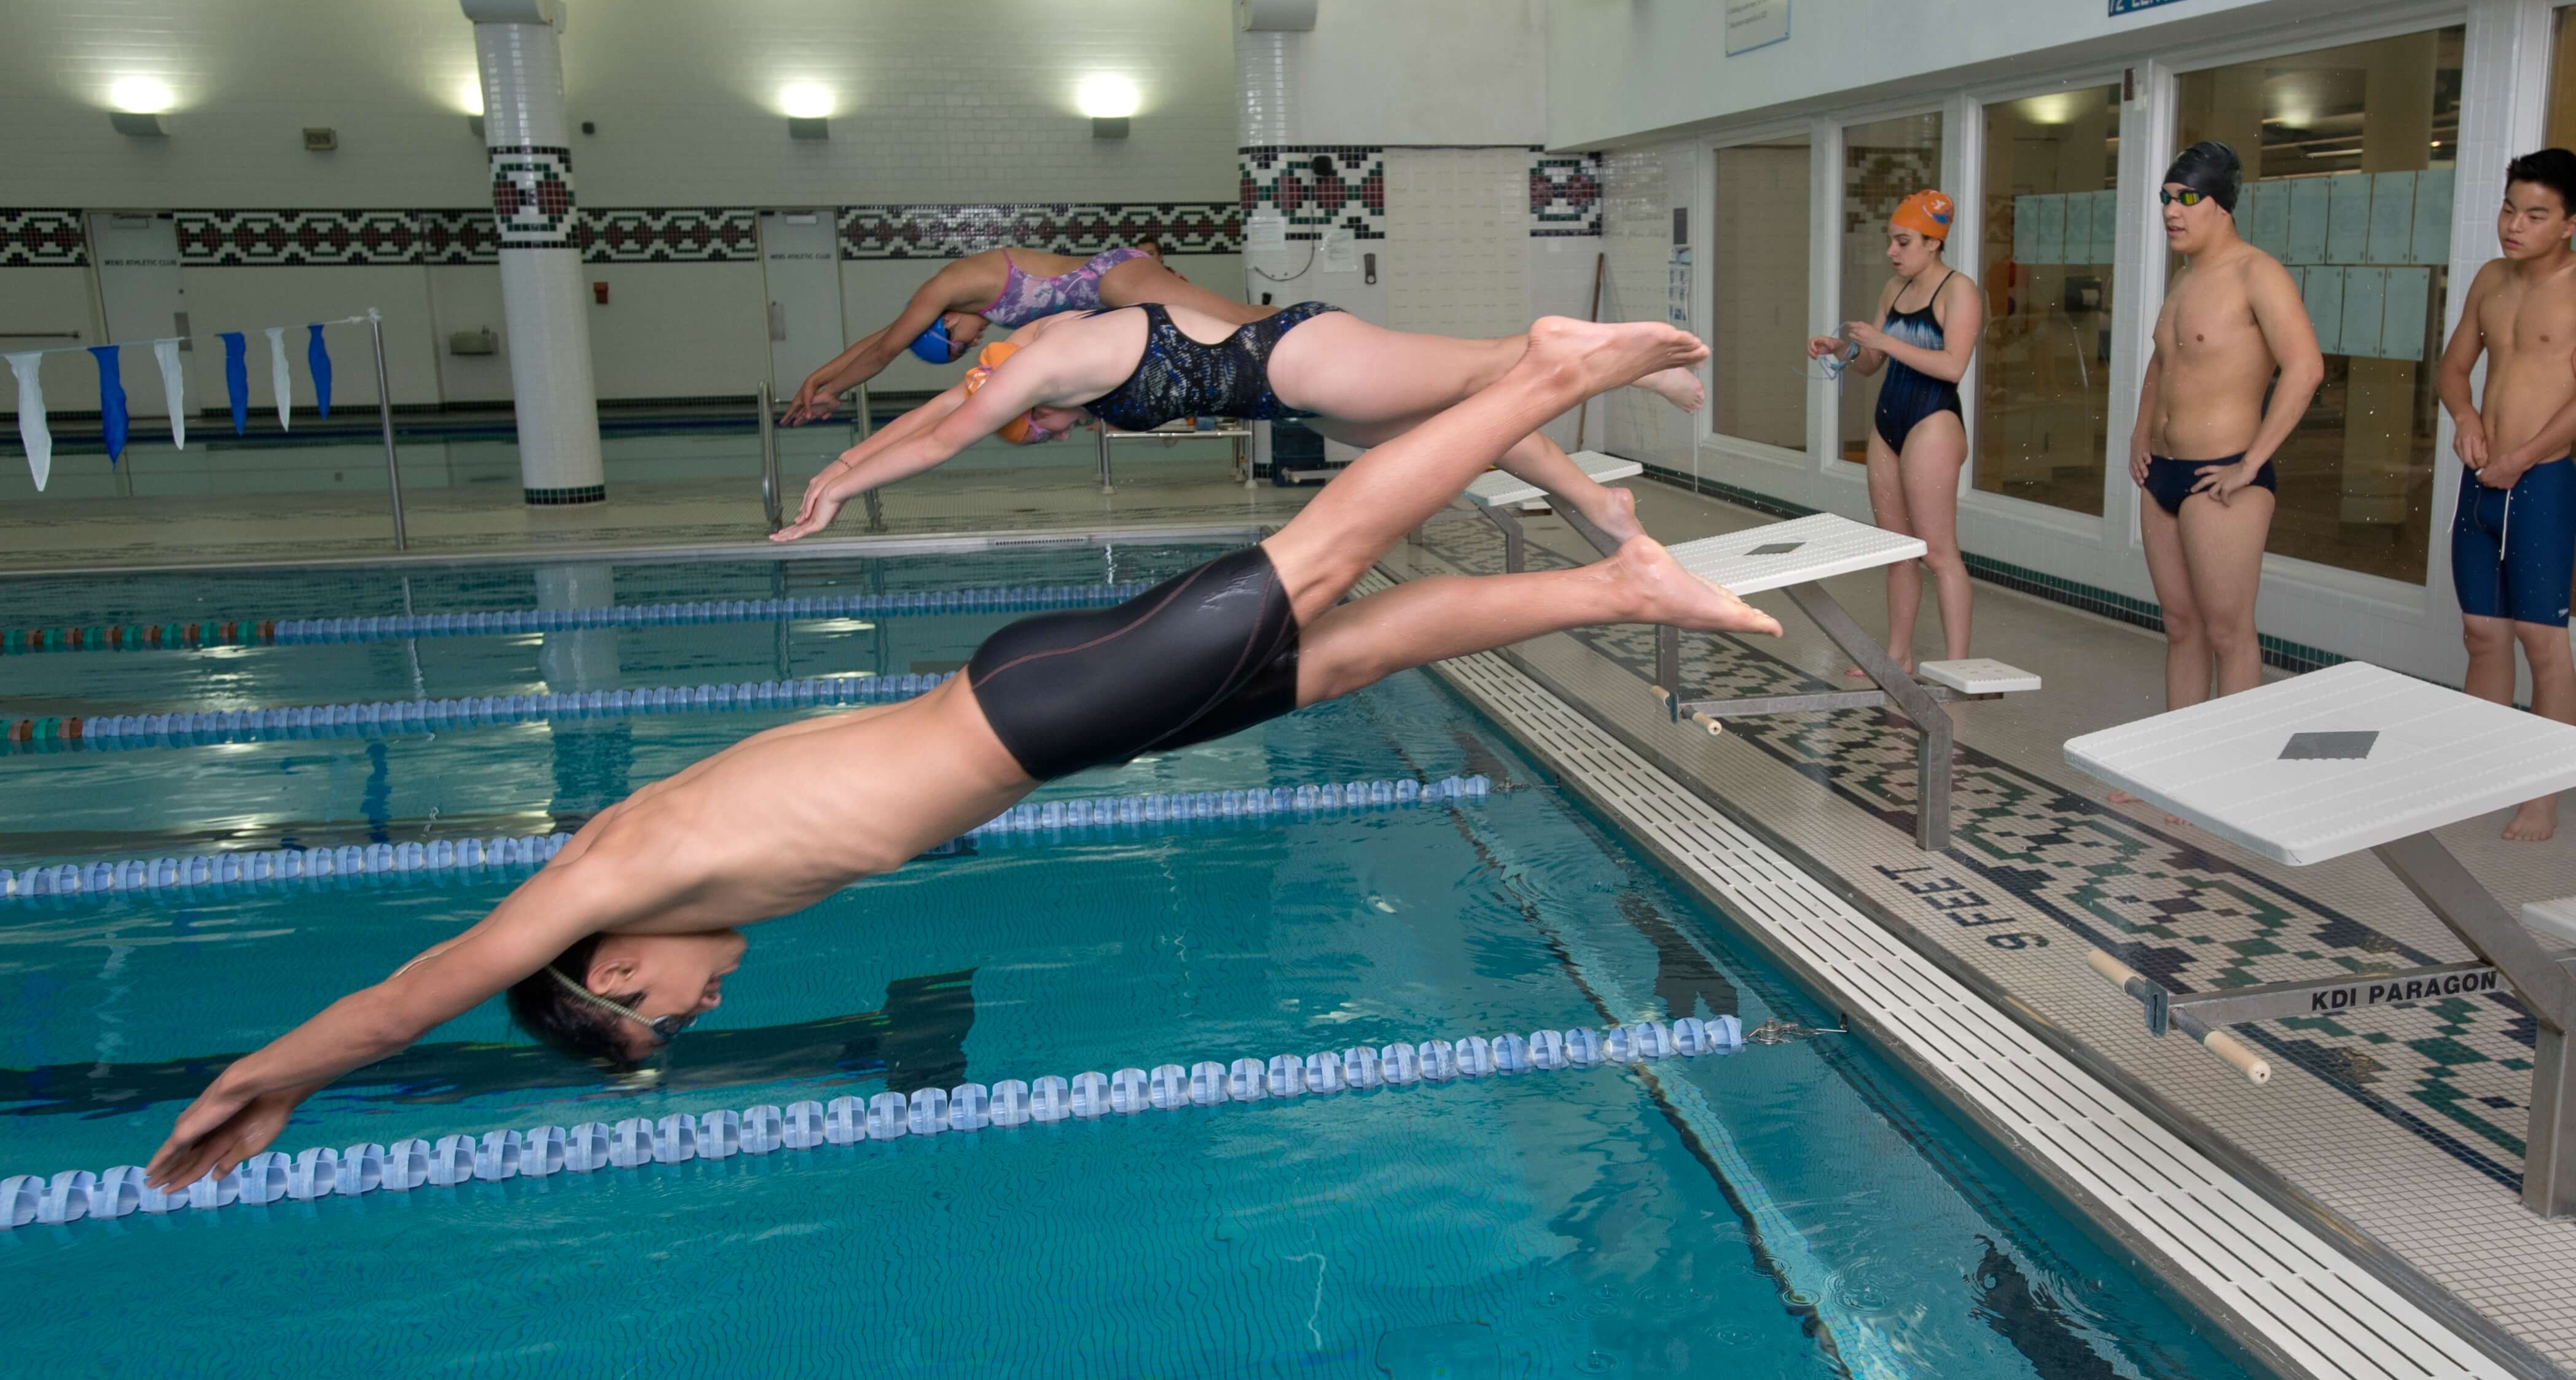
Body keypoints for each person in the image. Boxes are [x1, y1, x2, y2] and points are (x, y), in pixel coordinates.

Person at [144, 318, 1777, 1191]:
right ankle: (1610, 579)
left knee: (1328, 569)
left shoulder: (614, 878)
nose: (710, 1001)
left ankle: (1545, 374)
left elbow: (415, 990)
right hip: (1043, 725)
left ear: (613, 967)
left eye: (667, 1009)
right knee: (1333, 657)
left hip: (1035, 713)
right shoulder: (648, 858)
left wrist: (270, 1077)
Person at [769, 300, 1708, 546]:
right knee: (1470, 422)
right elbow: (945, 405)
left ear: (1031, 404)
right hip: (1294, 387)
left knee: (1491, 366)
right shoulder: (1036, 356)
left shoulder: (1050, 363)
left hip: (1296, 361)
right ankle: (1602, 507)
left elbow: (944, 434)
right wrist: (839, 463)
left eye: (1040, 431)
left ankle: (1623, 357)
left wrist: (842, 492)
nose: (1055, 435)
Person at [2435, 149, 2576, 842]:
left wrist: (2523, 455)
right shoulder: (2491, 278)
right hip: (2481, 478)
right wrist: (2465, 418)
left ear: (2571, 222)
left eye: (2535, 214)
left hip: (2540, 482)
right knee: (2481, 634)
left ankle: (2541, 797)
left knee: (2544, 645)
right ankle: (2479, 771)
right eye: (2509, 208)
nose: (2514, 225)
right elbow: (2454, 367)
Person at [2124, 141, 2323, 739]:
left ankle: (2233, 774)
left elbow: (2305, 367)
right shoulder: (2185, 280)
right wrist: (2141, 431)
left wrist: (2250, 463)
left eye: (2186, 198)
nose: (2170, 211)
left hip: (2222, 473)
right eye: (2165, 198)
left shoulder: (2256, 273)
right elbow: (2163, 362)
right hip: (2162, 471)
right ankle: (2182, 767)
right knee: (2180, 627)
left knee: (2227, 633)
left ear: (2222, 206)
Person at [779, 241, 1263, 423]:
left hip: (1115, 278)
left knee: (1240, 320)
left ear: (942, 321)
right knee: (1229, 326)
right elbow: (883, 337)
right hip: (1116, 284)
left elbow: (886, 351)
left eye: (959, 343)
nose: (971, 344)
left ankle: (1318, 320)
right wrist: (818, 379)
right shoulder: (953, 302)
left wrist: (834, 390)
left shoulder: (946, 285)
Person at [1811, 190, 1981, 677]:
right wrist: (1841, 349)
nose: (1893, 251)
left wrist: (1883, 340)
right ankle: (1899, 657)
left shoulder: (1959, 291)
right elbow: (1871, 365)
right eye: (1891, 241)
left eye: (1903, 242)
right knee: (1896, 547)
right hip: (1889, 424)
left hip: (1933, 421)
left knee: (1938, 552)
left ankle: (1958, 670)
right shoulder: (1894, 289)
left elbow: (1952, 367)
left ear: (1934, 242)